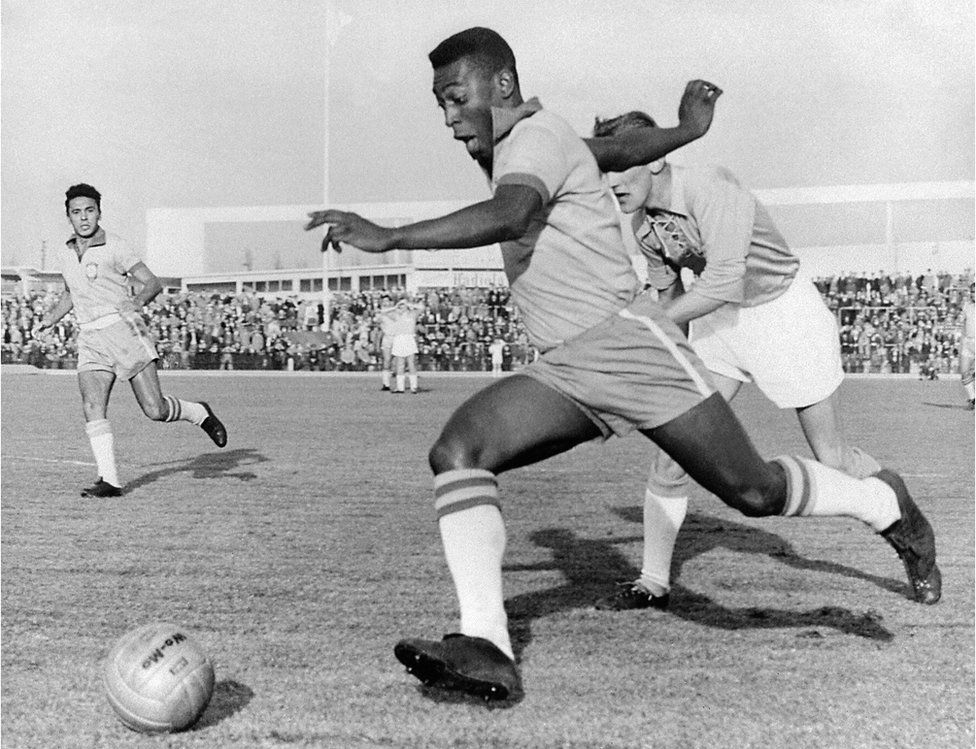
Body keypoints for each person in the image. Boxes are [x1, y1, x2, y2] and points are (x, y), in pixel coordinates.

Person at [304, 28, 939, 702]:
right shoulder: (539, 137)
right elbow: (615, 150)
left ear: (503, 86)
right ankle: (485, 644)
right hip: (570, 366)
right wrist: (684, 130)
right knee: (459, 449)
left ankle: (883, 503)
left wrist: (392, 236)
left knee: (752, 492)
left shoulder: (533, 140)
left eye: (456, 97)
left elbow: (510, 212)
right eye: (439, 104)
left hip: (632, 348)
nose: (448, 115)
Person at [589, 110, 884, 611]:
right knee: (675, 447)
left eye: (621, 165)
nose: (611, 182)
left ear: (657, 158)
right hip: (719, 320)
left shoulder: (709, 186)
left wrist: (642, 327)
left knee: (832, 458)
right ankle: (652, 582)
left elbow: (721, 280)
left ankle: (900, 515)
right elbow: (672, 303)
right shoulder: (643, 227)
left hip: (782, 312)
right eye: (605, 169)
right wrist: (653, 363)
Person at [37, 184, 227, 498]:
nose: (83, 218)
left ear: (99, 212)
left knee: (155, 410)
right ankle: (110, 481)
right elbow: (71, 293)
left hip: (124, 332)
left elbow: (152, 282)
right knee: (92, 405)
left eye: (89, 210)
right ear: (68, 216)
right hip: (90, 337)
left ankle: (199, 413)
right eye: (76, 212)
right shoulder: (65, 252)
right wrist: (49, 319)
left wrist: (137, 302)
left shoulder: (117, 246)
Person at [389, 298, 421, 393]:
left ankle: (413, 387)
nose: (402, 307)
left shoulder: (412, 314)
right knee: (400, 364)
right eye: (400, 305)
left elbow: (421, 307)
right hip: (399, 338)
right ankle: (400, 387)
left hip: (409, 338)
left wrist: (410, 304)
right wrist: (395, 306)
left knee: (411, 363)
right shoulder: (396, 315)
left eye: (403, 305)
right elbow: (383, 311)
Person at [376, 302, 397, 390]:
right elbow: (380, 314)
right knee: (387, 361)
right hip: (387, 339)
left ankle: (399, 383)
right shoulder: (382, 316)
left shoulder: (396, 314)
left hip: (397, 338)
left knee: (398, 361)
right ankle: (386, 384)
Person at [961, 285, 975, 409]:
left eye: (975, 292)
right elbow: (961, 320)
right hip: (968, 342)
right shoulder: (967, 306)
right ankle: (973, 399)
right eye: (972, 292)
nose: (973, 294)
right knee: (964, 373)